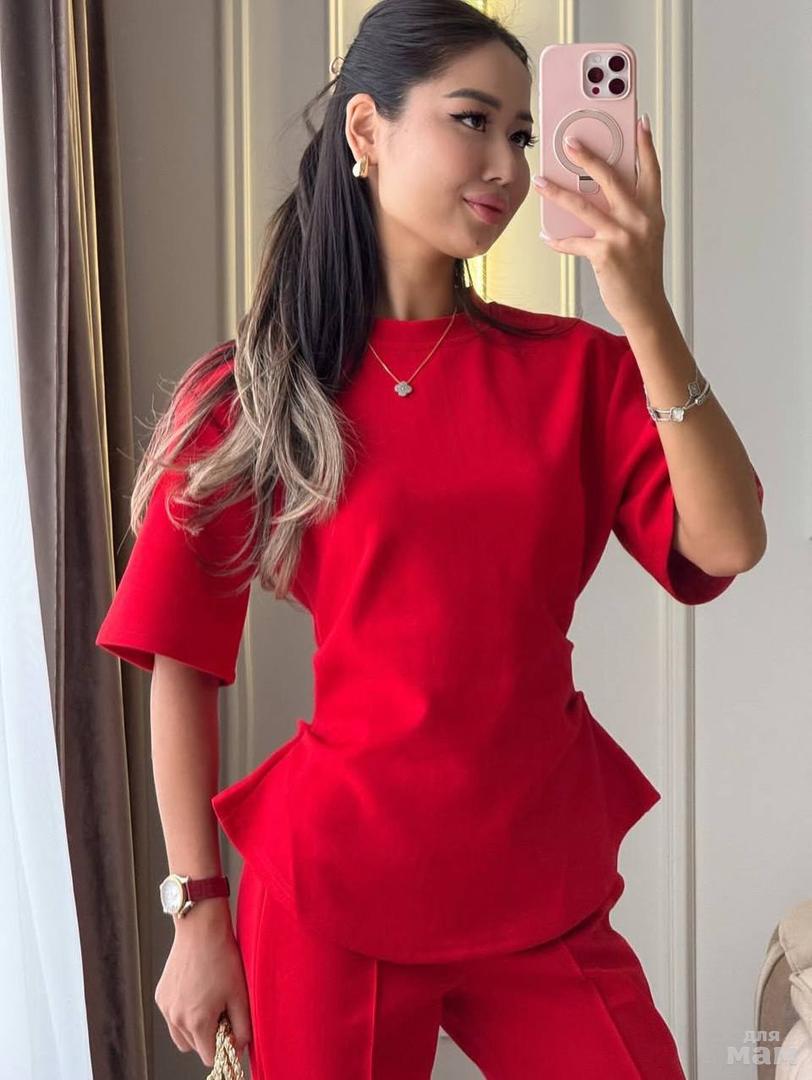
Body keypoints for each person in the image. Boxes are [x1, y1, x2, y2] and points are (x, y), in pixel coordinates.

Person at [95, 1, 765, 1076]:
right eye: (472, 120)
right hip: (329, 892)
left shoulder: (578, 372)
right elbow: (180, 662)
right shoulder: (255, 390)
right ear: (367, 129)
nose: (506, 164)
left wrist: (641, 305)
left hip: (537, 877)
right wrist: (196, 913)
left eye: (520, 134)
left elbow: (728, 543)